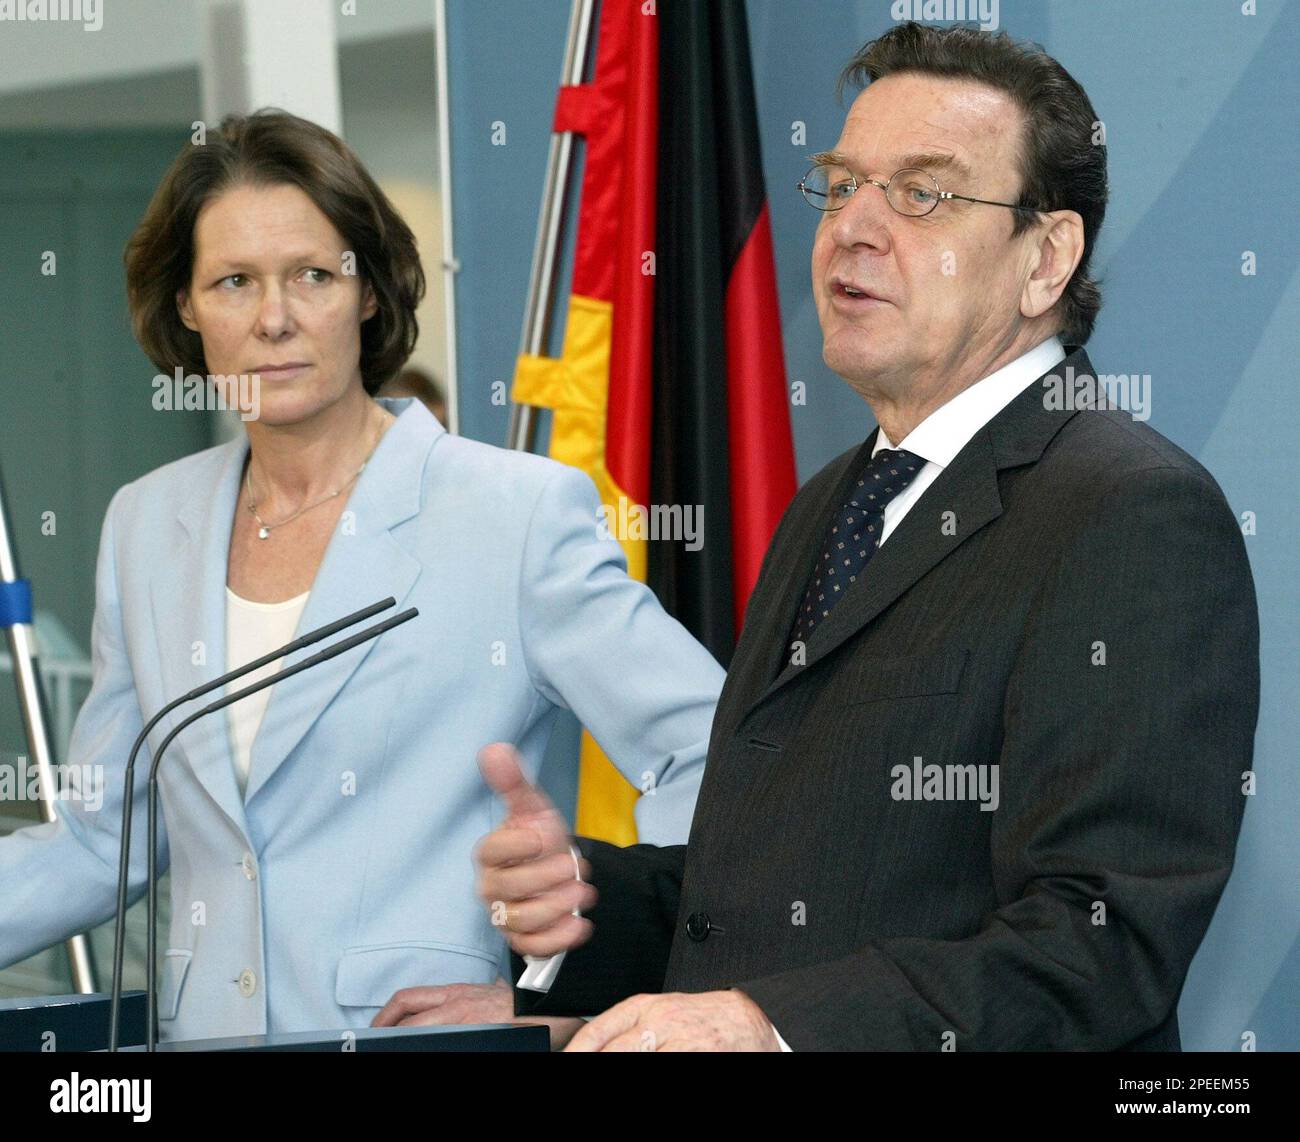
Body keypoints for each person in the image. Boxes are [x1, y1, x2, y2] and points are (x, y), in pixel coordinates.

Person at [462, 23, 1259, 1051]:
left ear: (1046, 257)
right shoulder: (832, 502)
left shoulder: (1130, 511)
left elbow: (1098, 946)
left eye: (920, 193)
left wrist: (769, 1027)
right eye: (840, 187)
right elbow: (780, 894)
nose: (852, 229)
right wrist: (587, 900)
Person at [0, 109, 723, 1044]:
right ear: (185, 307)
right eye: (233, 282)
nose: (275, 318)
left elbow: (715, 761)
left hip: (420, 1044)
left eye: (312, 274)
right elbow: (104, 836)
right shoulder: (146, 522)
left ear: (369, 291)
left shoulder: (512, 512)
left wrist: (565, 977)